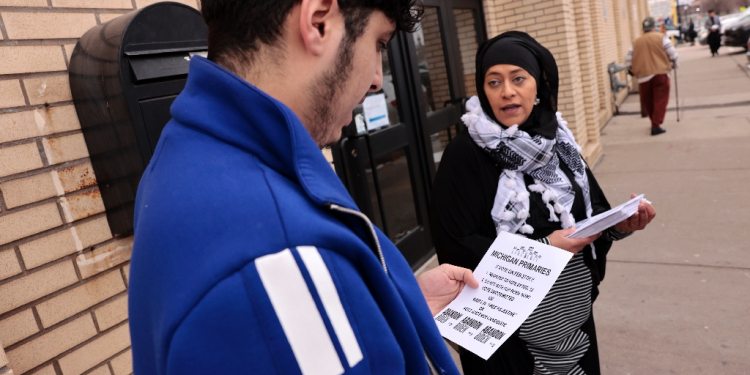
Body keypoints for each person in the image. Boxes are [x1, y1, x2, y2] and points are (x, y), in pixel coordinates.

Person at [128, 1, 479, 374]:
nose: (378, 78)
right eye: (379, 42)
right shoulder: (280, 261)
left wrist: (397, 306)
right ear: (319, 22)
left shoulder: (189, 150)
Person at [429, 31, 657, 375]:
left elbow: (589, 217)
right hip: (509, 337)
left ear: (538, 86)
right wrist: (545, 247)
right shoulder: (465, 154)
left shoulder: (559, 142)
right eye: (493, 82)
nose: (506, 91)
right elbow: (455, 245)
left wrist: (618, 226)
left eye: (518, 78)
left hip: (571, 324)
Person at [626, 17, 679, 136]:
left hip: (643, 76)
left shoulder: (635, 42)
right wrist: (675, 64)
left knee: (648, 101)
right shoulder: (661, 38)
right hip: (661, 73)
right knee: (660, 100)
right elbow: (673, 53)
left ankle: (654, 121)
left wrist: (632, 70)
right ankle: (656, 125)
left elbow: (628, 59)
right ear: (653, 27)